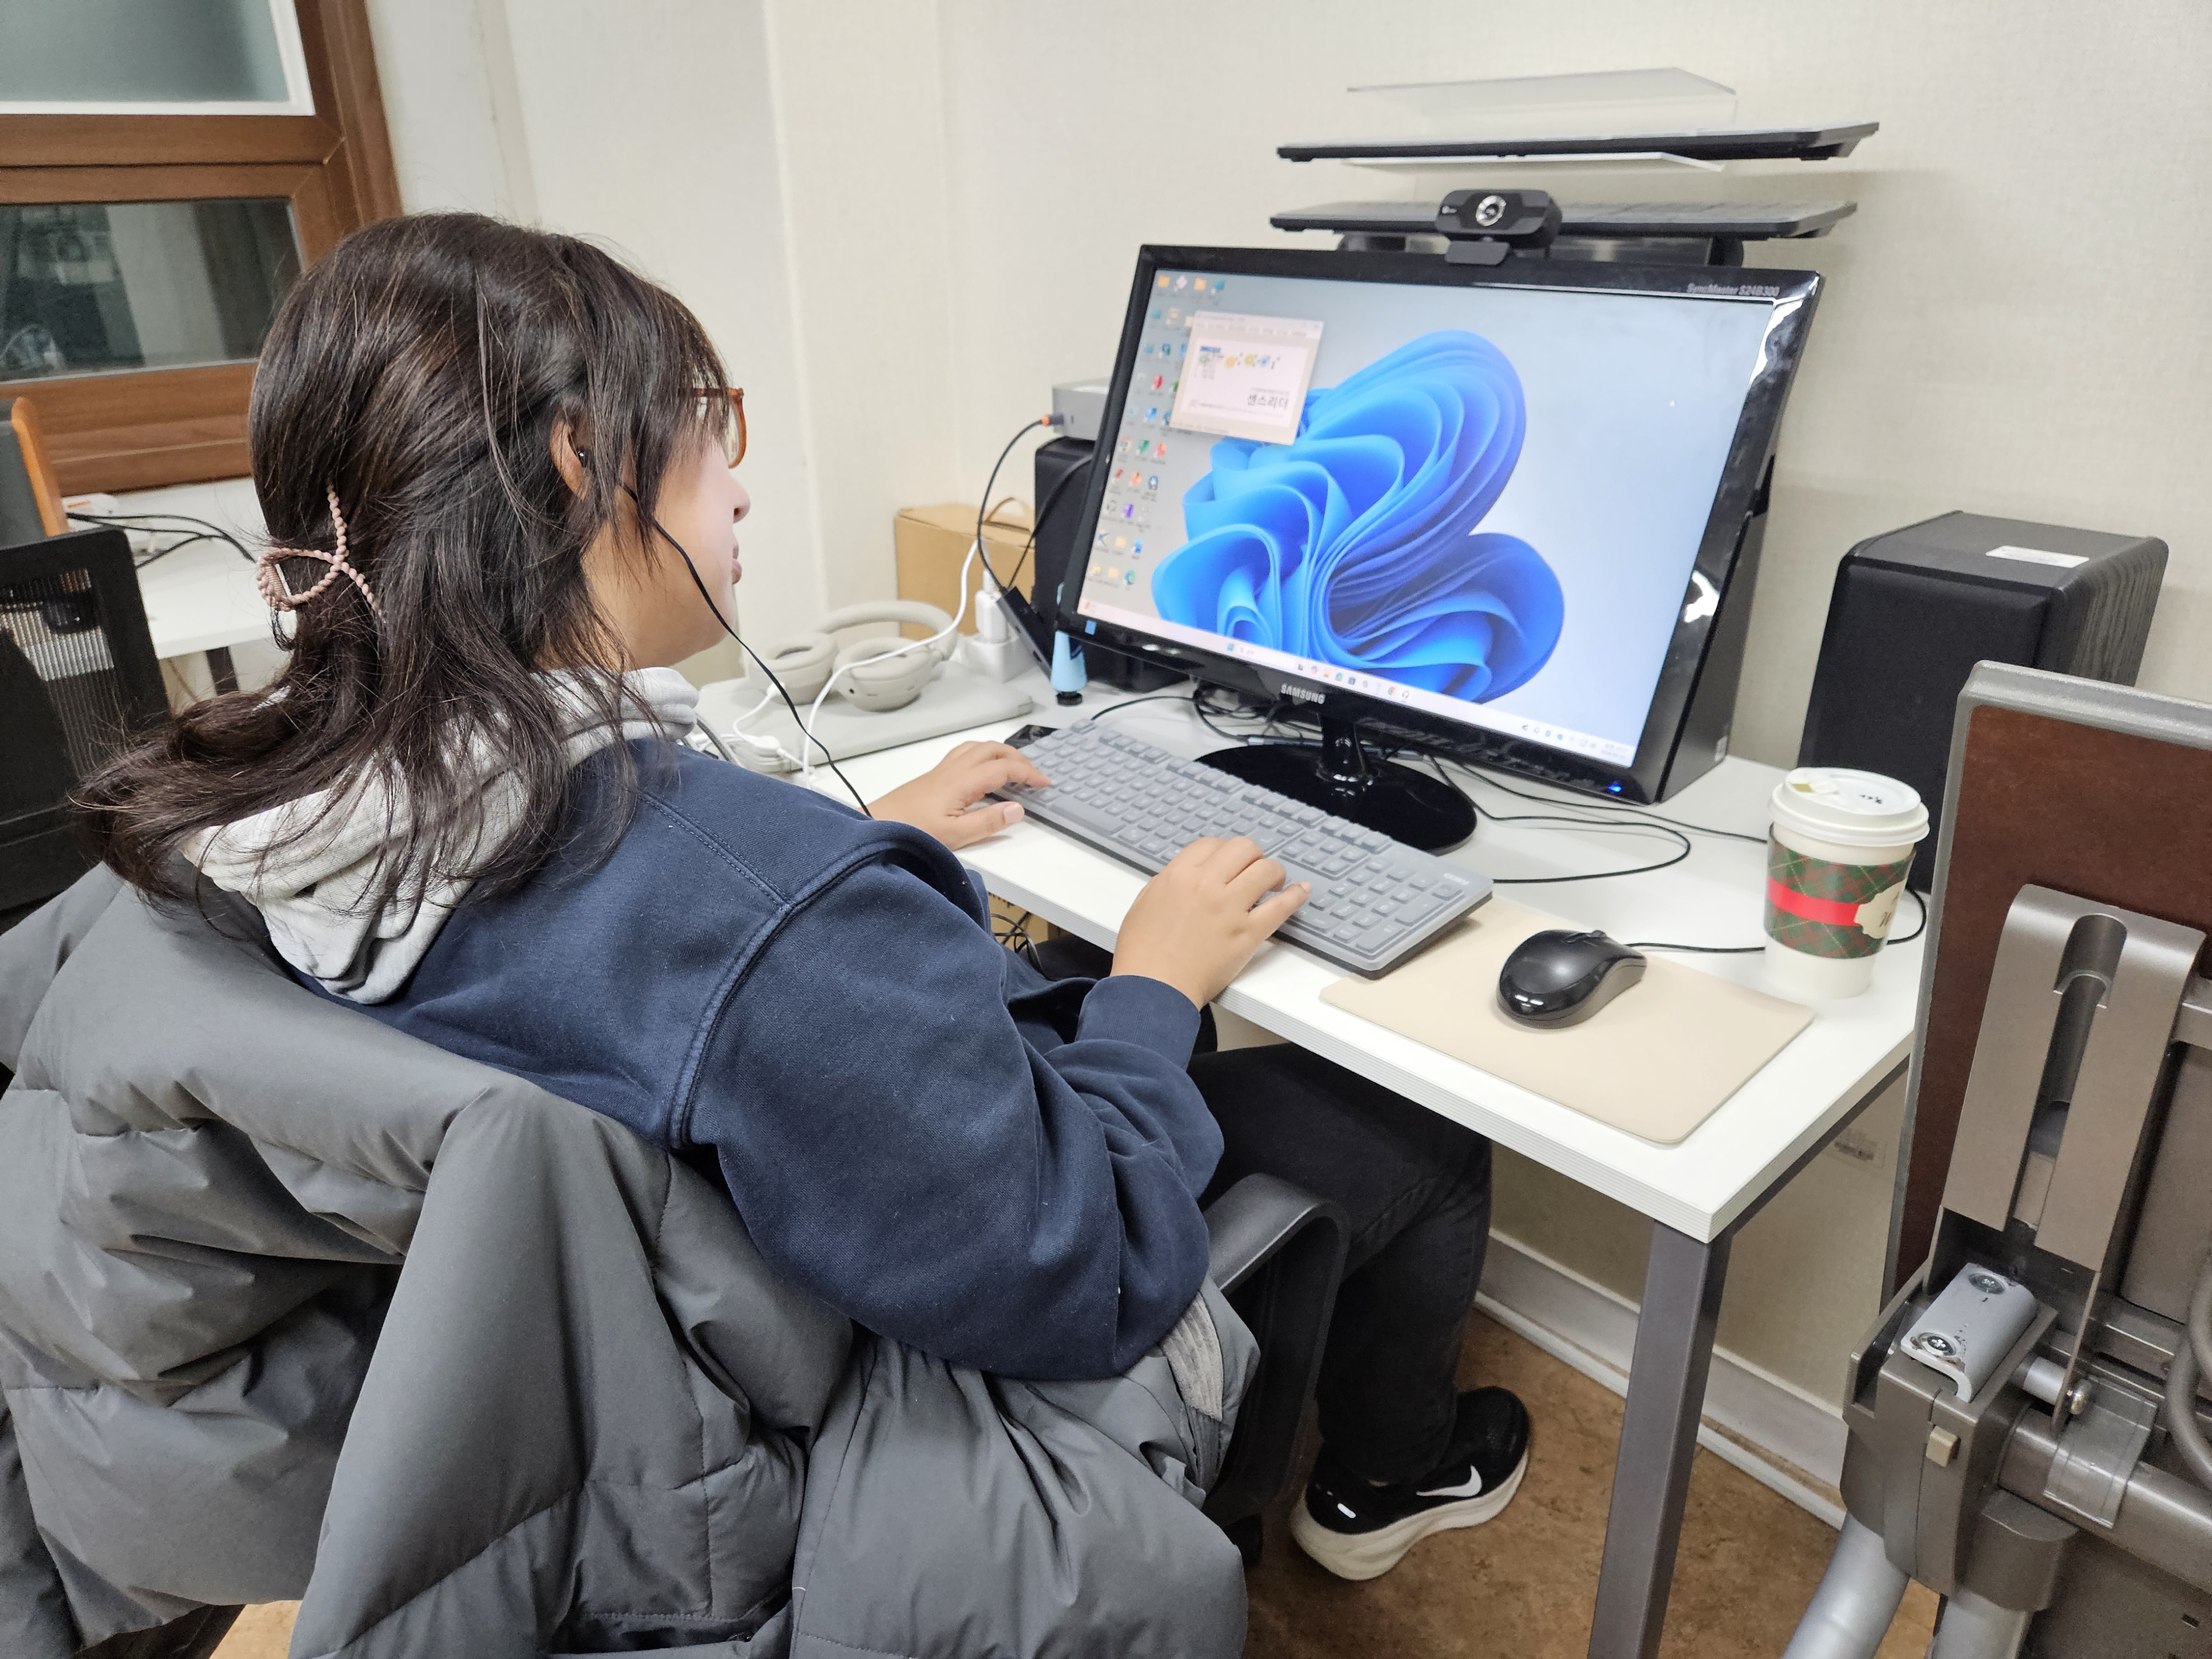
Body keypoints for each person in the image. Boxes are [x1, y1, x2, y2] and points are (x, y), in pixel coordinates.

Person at [77, 212, 1527, 1582]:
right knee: (1424, 1123)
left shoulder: (281, 811)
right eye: (708, 426)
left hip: (651, 1372)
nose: (741, 484)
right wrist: (1156, 984)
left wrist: (835, 846)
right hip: (952, 1367)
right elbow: (1080, 1272)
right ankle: (1388, 1482)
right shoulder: (765, 912)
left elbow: (654, 954)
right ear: (582, 459)